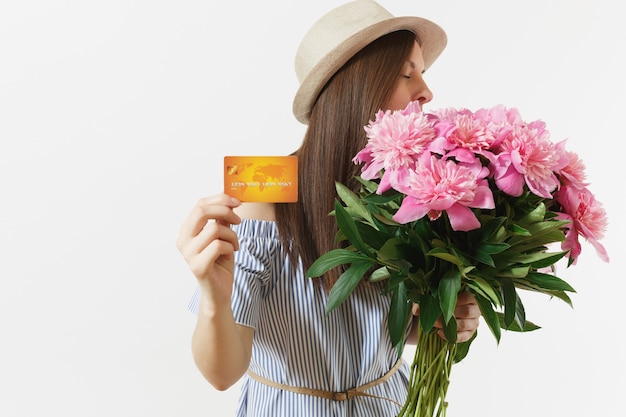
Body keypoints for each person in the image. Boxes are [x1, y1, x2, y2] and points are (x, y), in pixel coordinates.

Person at [176, 1, 481, 415]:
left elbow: (380, 326)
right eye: (407, 73)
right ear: (355, 88)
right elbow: (222, 374)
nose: (427, 92)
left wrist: (437, 317)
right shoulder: (262, 202)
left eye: (423, 74)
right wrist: (214, 296)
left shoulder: (402, 193)